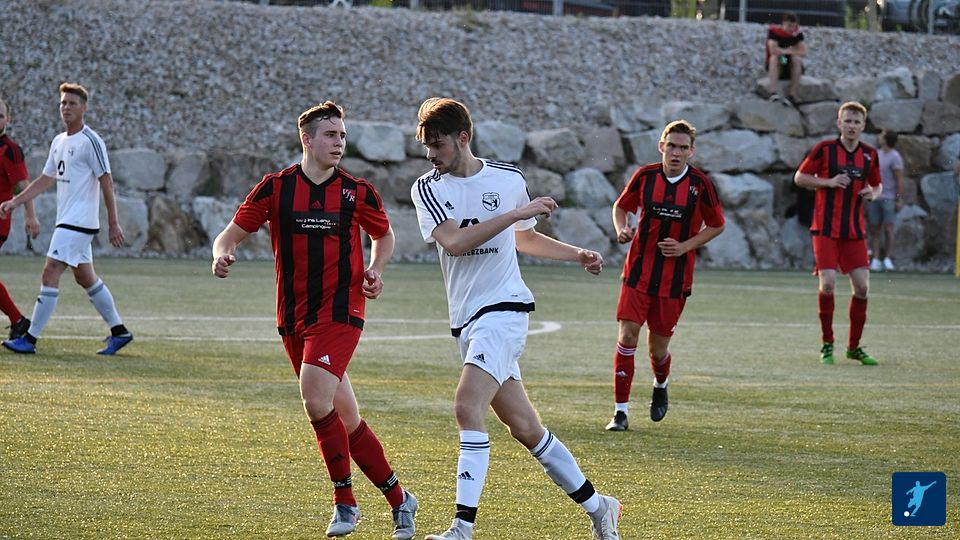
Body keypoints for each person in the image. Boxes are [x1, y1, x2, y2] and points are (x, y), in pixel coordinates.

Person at [410, 97, 621, 540]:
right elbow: (455, 243)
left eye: (438, 144)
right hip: (467, 319)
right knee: (525, 428)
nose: (431, 154)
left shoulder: (508, 178)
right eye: (427, 146)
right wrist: (514, 214)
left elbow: (524, 239)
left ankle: (461, 528)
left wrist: (576, 254)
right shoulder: (428, 189)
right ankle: (600, 507)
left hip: (504, 310)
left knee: (466, 406)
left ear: (463, 138)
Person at [210, 101, 417, 539]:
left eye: (342, 135)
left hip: (341, 310)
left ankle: (345, 503)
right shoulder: (276, 188)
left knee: (314, 397)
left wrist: (376, 268)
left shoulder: (356, 191)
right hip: (293, 317)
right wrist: (222, 253)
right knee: (345, 418)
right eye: (330, 135)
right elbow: (230, 233)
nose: (339, 143)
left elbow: (383, 235)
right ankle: (400, 499)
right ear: (306, 139)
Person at [604, 120, 726, 433]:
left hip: (675, 280)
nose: (676, 152)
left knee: (657, 350)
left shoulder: (700, 184)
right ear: (661, 146)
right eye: (671, 145)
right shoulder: (645, 176)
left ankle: (661, 383)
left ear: (691, 151)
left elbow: (717, 225)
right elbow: (621, 206)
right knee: (627, 336)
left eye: (683, 148)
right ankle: (620, 412)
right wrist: (622, 229)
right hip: (638, 271)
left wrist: (685, 246)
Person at [0, 83, 132, 355]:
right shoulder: (59, 141)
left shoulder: (91, 141)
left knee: (49, 272)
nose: (67, 108)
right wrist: (15, 201)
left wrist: (113, 222)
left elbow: (106, 182)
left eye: (72, 103)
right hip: (68, 221)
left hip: (79, 223)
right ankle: (120, 331)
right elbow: (44, 180)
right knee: (85, 277)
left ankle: (29, 339)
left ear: (84, 108)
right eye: (63, 103)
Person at [794, 101, 882, 366]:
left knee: (862, 287)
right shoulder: (825, 149)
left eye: (856, 122)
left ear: (863, 126)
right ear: (839, 123)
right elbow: (800, 177)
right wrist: (828, 182)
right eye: (848, 121)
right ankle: (827, 344)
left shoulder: (869, 154)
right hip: (825, 229)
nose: (852, 126)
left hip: (854, 231)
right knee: (828, 283)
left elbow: (877, 185)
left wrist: (872, 193)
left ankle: (853, 347)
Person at [0, 97, 40, 340]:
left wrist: (31, 216)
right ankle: (18, 321)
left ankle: (18, 320)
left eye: (0, 115)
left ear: (8, 119)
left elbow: (24, 186)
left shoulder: (10, 150)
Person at [866, 129, 905, 272]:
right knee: (874, 228)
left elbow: (899, 179)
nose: (879, 137)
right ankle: (875, 259)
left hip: (889, 198)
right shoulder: (876, 154)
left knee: (889, 229)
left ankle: (887, 258)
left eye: (882, 136)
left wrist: (899, 199)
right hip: (875, 197)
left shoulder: (895, 157)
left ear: (886, 139)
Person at [766, 11, 807, 107]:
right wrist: (791, 50)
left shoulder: (797, 35)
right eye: (789, 26)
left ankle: (792, 95)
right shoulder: (775, 33)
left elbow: (803, 52)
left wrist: (785, 51)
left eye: (793, 26)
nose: (791, 29)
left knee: (796, 59)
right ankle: (773, 92)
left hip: (791, 64)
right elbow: (773, 50)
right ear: (783, 23)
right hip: (782, 61)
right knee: (774, 58)